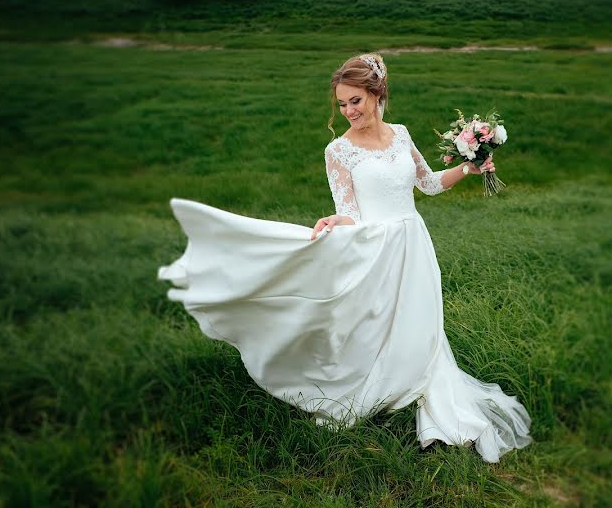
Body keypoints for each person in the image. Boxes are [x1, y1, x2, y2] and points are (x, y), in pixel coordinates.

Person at [158, 53, 532, 463]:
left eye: (355, 100)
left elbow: (427, 185)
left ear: (376, 95)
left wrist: (469, 168)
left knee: (420, 322)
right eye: (342, 104)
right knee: (370, 323)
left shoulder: (402, 134)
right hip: (376, 247)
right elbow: (350, 209)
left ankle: (419, 377)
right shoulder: (338, 151)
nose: (349, 111)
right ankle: (361, 379)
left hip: (413, 243)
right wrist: (338, 219)